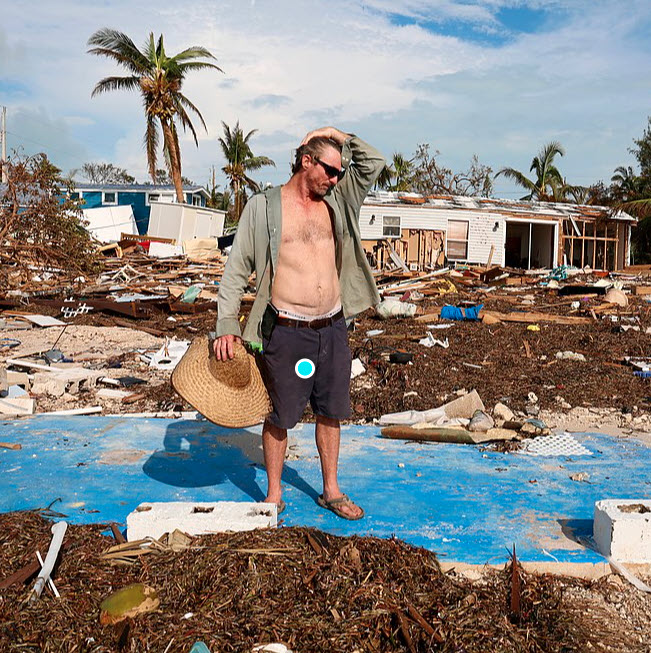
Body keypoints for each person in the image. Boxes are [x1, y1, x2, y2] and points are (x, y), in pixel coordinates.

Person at [213, 126, 385, 520]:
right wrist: (227, 324)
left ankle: (331, 490)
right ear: (306, 162)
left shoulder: (339, 199)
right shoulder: (264, 207)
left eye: (340, 172)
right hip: (287, 331)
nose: (336, 178)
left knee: (331, 411)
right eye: (329, 169)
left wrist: (337, 135)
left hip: (333, 327)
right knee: (279, 415)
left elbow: (374, 162)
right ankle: (274, 495)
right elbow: (236, 269)